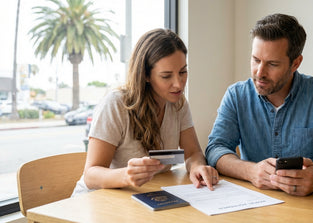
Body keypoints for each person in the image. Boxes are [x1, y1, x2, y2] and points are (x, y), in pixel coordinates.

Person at [205, 13, 313, 196]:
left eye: (272, 64)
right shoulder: (236, 95)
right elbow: (216, 149)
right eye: (256, 60)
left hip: (312, 208)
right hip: (253, 207)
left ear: (295, 63)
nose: (259, 73)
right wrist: (251, 171)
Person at [72, 28, 218, 195]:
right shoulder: (116, 104)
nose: (178, 84)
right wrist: (126, 175)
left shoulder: (178, 104)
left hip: (142, 197)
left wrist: (197, 166)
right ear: (146, 75)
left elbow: (193, 153)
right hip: (96, 199)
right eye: (166, 76)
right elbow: (91, 175)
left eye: (183, 72)